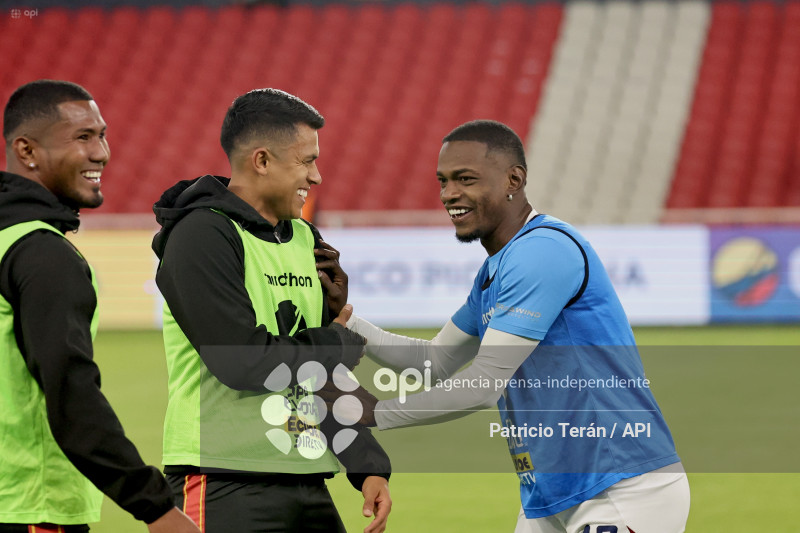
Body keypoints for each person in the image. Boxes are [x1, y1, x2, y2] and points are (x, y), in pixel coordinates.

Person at [339, 120, 690, 532]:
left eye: (465, 179)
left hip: (618, 485)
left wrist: (375, 413)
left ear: (514, 179)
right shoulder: (495, 269)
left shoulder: (542, 251)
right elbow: (435, 361)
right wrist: (350, 323)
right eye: (443, 181)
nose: (449, 194)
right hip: (549, 491)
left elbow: (486, 383)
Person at [151, 88, 391, 533]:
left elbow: (320, 371)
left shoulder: (305, 239)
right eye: (306, 161)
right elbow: (240, 361)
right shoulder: (201, 236)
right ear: (261, 161)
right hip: (221, 476)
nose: (316, 176)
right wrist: (337, 340)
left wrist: (365, 463)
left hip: (304, 473)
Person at [0, 80, 199, 532]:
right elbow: (72, 396)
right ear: (27, 151)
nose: (102, 152)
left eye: (102, 135)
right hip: (32, 505)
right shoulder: (41, 253)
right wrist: (155, 507)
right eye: (83, 137)